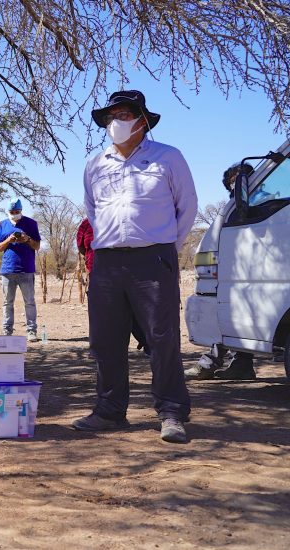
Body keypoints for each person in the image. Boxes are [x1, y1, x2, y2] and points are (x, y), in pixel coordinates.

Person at [73, 90, 198, 444]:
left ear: (142, 121)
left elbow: (186, 207)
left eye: (125, 114)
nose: (117, 122)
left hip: (153, 259)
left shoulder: (168, 158)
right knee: (106, 340)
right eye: (112, 116)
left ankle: (172, 412)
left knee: (162, 338)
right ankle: (109, 411)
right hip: (108, 261)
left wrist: (165, 249)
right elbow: (93, 211)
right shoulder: (95, 165)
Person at [186, 162, 257, 381]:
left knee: (226, 314)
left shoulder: (254, 202)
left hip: (246, 269)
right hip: (242, 268)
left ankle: (212, 362)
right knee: (234, 315)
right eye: (232, 184)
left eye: (236, 182)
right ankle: (240, 364)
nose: (233, 187)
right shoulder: (243, 203)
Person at [77, 218, 149, 355]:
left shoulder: (123, 217)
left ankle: (147, 342)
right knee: (99, 312)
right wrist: (89, 258)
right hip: (96, 271)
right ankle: (99, 348)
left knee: (133, 308)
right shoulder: (86, 223)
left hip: (128, 268)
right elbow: (81, 246)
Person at [0, 199, 42, 340]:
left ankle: (31, 331)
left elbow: (37, 246)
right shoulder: (2, 225)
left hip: (26, 269)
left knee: (29, 302)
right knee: (7, 302)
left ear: (21, 211)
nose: (14, 214)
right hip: (8, 270)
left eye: (17, 212)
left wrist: (27, 239)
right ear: (8, 212)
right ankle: (7, 331)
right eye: (12, 212)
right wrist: (9, 240)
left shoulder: (31, 224)